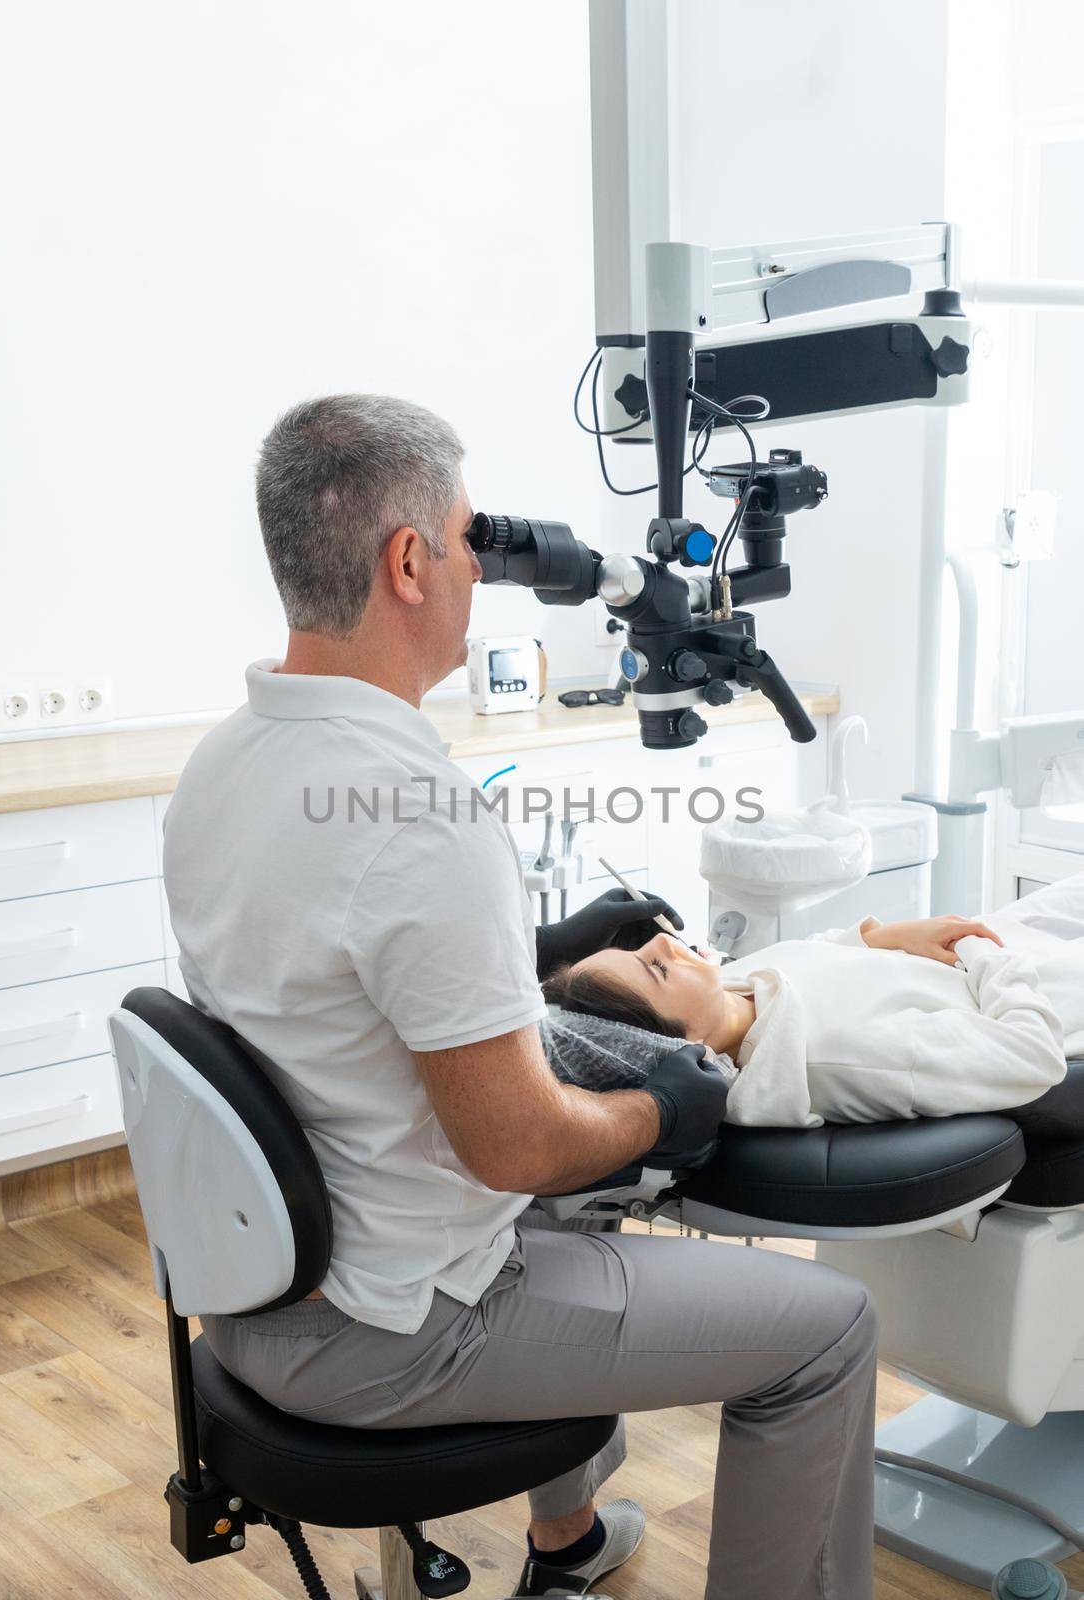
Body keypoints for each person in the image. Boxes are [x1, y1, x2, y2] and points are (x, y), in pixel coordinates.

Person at [163, 394, 879, 1600]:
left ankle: (567, 1543)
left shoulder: (222, 767)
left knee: (587, 1210)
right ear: (407, 562)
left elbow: (350, 992)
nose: (472, 568)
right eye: (459, 538)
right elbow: (516, 1147)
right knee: (828, 1327)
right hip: (397, 1330)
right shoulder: (419, 813)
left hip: (258, 1298)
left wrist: (542, 950)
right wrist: (668, 1102)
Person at [542, 906, 1078, 1127]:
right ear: (684, 1047)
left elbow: (811, 959)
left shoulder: (738, 991)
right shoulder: (837, 1058)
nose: (662, 938)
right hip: (1054, 987)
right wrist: (982, 953)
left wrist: (886, 937)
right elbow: (1031, 1057)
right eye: (656, 968)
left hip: (1010, 947)